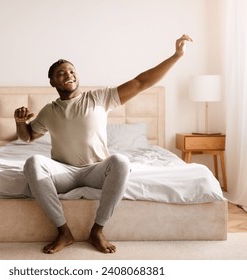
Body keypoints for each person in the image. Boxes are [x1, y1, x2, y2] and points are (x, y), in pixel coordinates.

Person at [14, 34, 193, 254]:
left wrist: (176, 55)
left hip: (96, 171)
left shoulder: (99, 98)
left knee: (120, 161)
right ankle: (64, 232)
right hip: (64, 172)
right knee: (33, 162)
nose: (68, 75)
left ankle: (97, 230)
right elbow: (28, 137)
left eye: (72, 71)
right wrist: (20, 122)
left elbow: (140, 82)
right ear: (52, 82)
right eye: (61, 73)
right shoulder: (49, 111)